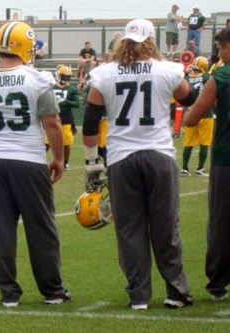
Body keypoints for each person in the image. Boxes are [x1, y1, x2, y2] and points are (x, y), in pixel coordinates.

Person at [83, 19, 195, 310]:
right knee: (166, 226)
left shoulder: (104, 73)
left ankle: (139, 296)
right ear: (152, 40)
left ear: (123, 41)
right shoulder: (167, 69)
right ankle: (176, 291)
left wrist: (91, 161)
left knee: (130, 230)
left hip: (122, 158)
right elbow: (190, 96)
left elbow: (91, 121)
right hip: (159, 154)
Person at [0, 21, 70, 307]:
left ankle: (9, 293)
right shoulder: (37, 79)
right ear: (26, 47)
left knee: (1, 230)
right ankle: (52, 291)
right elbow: (52, 124)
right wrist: (59, 158)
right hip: (30, 161)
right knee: (42, 228)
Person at [184, 28, 230, 301]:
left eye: (221, 48)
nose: (219, 53)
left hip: (226, 158)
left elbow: (192, 118)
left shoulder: (221, 76)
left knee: (222, 223)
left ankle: (217, 283)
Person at [181, 56, 213, 177]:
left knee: (188, 143)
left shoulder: (187, 78)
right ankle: (200, 169)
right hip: (205, 113)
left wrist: (186, 72)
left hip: (191, 113)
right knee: (204, 143)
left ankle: (184, 169)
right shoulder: (207, 77)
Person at [53, 65, 79, 170]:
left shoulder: (72, 88)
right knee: (46, 142)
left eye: (68, 76)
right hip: (53, 117)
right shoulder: (52, 87)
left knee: (66, 143)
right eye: (64, 76)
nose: (66, 78)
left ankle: (66, 163)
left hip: (66, 118)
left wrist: (65, 101)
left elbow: (77, 103)